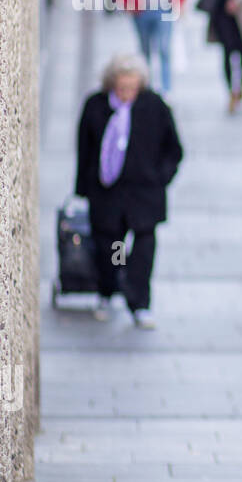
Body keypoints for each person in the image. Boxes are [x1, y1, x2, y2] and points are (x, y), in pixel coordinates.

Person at [74, 53, 184, 329]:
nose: (126, 94)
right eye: (121, 88)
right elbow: (84, 151)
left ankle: (140, 303)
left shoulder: (154, 106)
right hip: (108, 195)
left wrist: (160, 178)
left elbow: (174, 149)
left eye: (131, 88)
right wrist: (82, 189)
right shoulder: (96, 107)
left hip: (145, 196)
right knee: (112, 247)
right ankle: (108, 291)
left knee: (144, 251)